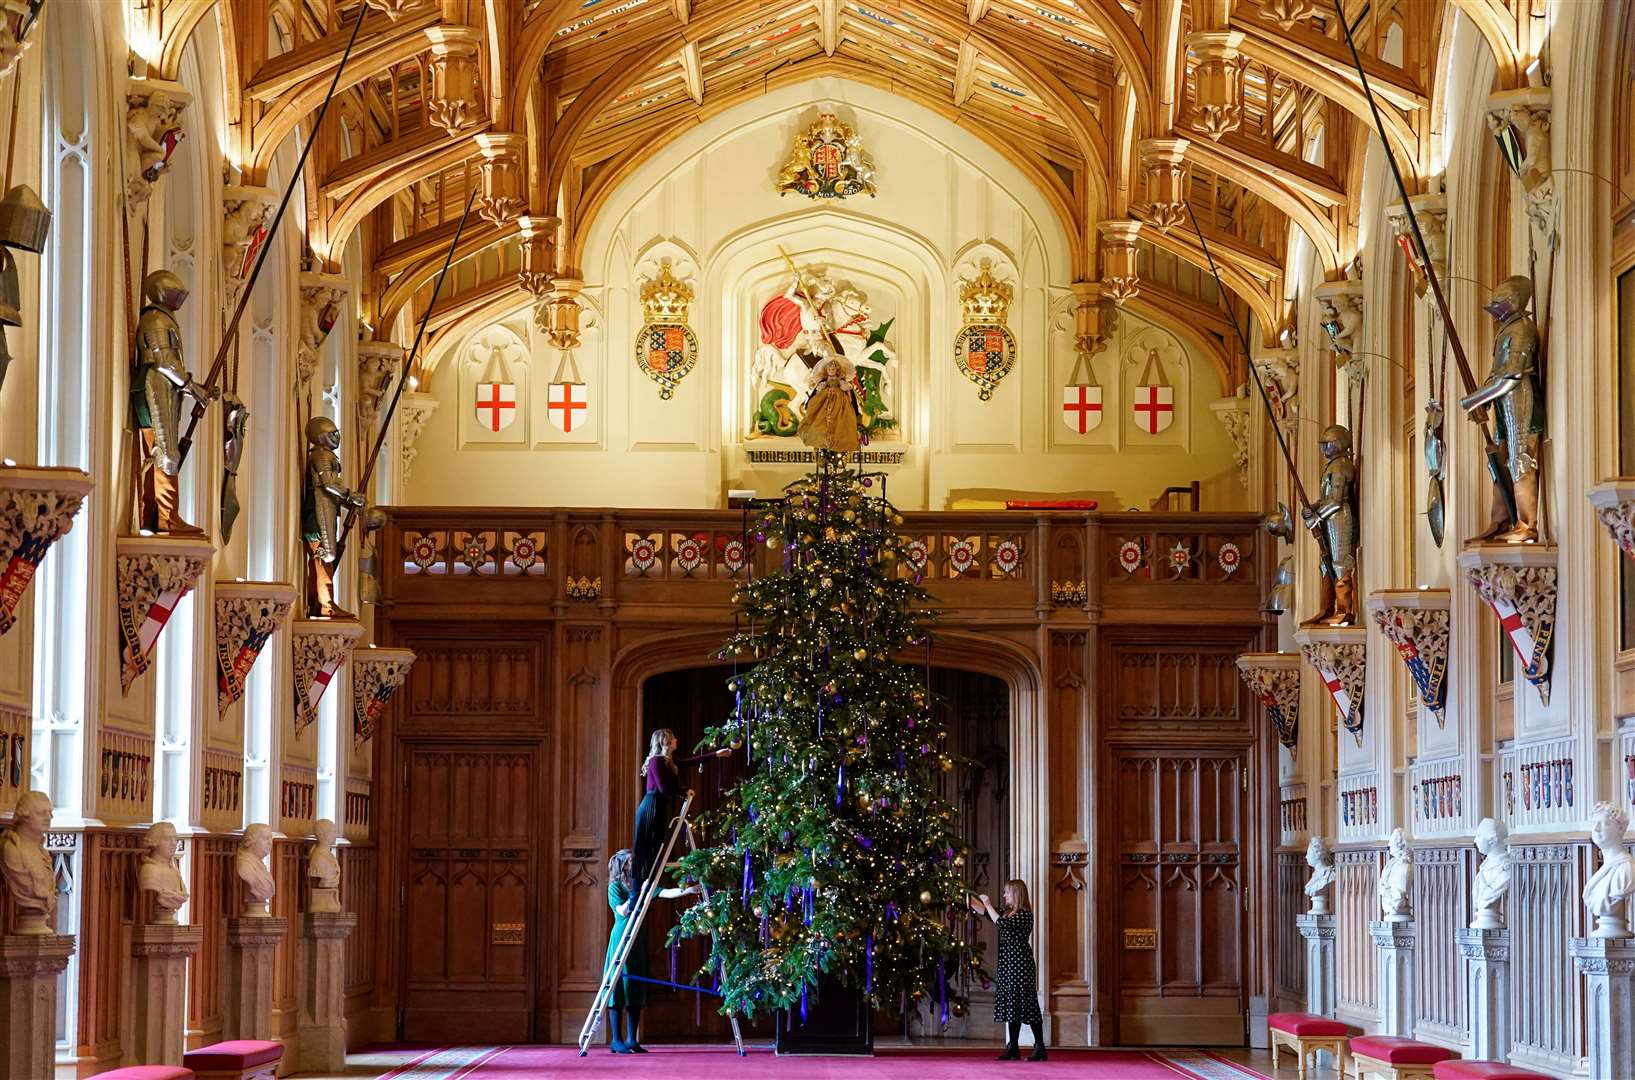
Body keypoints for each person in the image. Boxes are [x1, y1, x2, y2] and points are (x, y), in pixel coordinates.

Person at [604, 849, 696, 1053]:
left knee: (635, 986)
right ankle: (616, 1040)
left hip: (637, 938)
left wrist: (688, 891)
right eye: (631, 861)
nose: (636, 864)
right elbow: (621, 910)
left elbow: (665, 893)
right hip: (622, 936)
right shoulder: (615, 887)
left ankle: (631, 1040)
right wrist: (638, 892)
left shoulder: (641, 884)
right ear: (623, 865)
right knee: (618, 987)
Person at [632, 729, 729, 892]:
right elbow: (663, 788)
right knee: (645, 849)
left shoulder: (668, 761)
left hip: (660, 807)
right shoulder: (656, 761)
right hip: (651, 807)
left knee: (656, 849)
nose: (676, 739)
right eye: (673, 738)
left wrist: (716, 754)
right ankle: (637, 894)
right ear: (666, 742)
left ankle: (647, 889)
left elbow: (689, 762)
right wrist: (684, 791)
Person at [971, 879, 1045, 1061]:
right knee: (1012, 1004)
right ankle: (1013, 1047)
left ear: (1016, 894)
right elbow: (986, 913)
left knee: (1026, 1004)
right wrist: (968, 898)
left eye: (1007, 892)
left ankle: (1040, 1047)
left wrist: (988, 903)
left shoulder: (1024, 914)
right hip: (1008, 964)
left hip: (1020, 965)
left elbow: (1001, 924)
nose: (1004, 895)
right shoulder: (1006, 912)